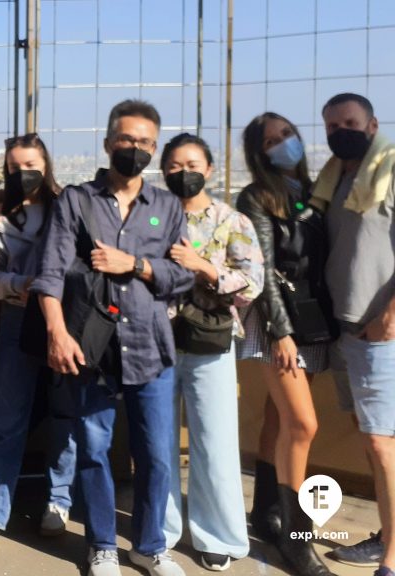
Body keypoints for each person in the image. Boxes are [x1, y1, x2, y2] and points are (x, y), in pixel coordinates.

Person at [32, 100, 194, 576]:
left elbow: (183, 276)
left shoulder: (166, 206)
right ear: (107, 143)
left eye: (145, 142)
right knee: (94, 450)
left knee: (157, 456)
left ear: (155, 147)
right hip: (91, 348)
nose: (135, 149)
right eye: (127, 140)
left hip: (151, 347)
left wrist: (136, 264)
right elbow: (49, 274)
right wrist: (57, 334)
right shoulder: (77, 201)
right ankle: (102, 543)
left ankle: (149, 545)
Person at [0, 133, 77, 560]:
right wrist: (21, 285)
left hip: (65, 321)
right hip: (16, 318)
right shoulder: (0, 217)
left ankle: (59, 500)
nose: (23, 173)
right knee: (8, 420)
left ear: (46, 164)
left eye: (30, 164)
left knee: (66, 414)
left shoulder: (68, 209)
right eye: (14, 168)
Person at [159, 133, 264, 572]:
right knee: (156, 443)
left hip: (211, 341)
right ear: (163, 170)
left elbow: (252, 281)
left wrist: (202, 267)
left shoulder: (231, 220)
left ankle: (218, 534)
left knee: (215, 443)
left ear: (209, 168)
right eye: (176, 165)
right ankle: (158, 531)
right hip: (158, 342)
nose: (185, 173)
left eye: (193, 164)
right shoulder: (152, 217)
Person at [236, 112, 334, 576]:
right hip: (282, 323)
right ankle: (298, 539)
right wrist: (281, 332)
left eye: (286, 135)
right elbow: (264, 270)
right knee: (303, 425)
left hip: (312, 320)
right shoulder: (256, 196)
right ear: (258, 152)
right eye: (270, 141)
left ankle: (266, 512)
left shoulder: (316, 192)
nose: (281, 145)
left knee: (280, 418)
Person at [312, 93, 395, 576]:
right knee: (373, 440)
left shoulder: (388, 170)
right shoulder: (335, 179)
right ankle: (388, 533)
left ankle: (390, 555)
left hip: (379, 330)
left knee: (382, 443)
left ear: (372, 124)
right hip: (346, 328)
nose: (340, 131)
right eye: (331, 125)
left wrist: (389, 316)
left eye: (350, 122)